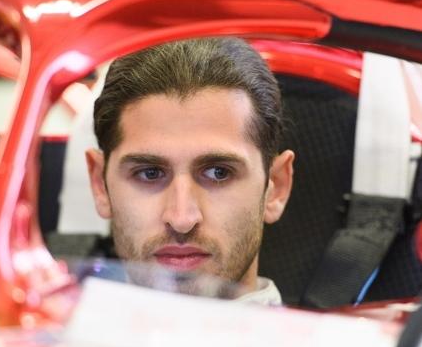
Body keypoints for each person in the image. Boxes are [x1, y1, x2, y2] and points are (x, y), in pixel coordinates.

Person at [86, 37, 294, 305]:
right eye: (149, 173)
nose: (181, 218)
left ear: (276, 186)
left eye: (219, 172)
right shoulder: (37, 342)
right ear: (99, 185)